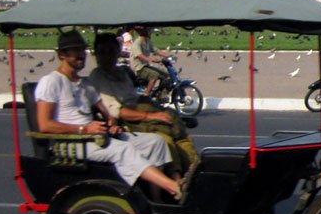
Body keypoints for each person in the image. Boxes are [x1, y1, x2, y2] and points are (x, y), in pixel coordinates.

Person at [35, 29, 186, 200]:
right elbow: (45, 124)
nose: (80, 55)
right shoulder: (51, 82)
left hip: (94, 137)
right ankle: (173, 187)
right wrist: (84, 129)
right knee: (122, 150)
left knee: (156, 142)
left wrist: (112, 124)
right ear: (62, 55)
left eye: (82, 50)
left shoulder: (84, 83)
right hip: (72, 142)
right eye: (75, 51)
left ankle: (156, 201)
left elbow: (107, 113)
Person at [88, 32, 200, 179]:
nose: (107, 57)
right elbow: (118, 112)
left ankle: (193, 168)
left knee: (179, 130)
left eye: (111, 51)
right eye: (102, 53)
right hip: (127, 121)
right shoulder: (98, 76)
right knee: (165, 139)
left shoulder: (121, 72)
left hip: (140, 109)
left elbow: (134, 96)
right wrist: (152, 115)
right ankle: (176, 179)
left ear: (117, 52)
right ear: (96, 55)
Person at [129, 24, 170, 95]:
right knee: (154, 75)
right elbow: (140, 55)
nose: (150, 32)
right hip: (139, 68)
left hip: (146, 66)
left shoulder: (147, 41)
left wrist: (167, 55)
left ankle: (160, 94)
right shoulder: (137, 43)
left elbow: (156, 50)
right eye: (149, 30)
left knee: (165, 74)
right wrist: (151, 59)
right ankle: (146, 95)